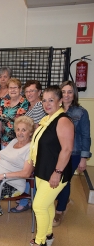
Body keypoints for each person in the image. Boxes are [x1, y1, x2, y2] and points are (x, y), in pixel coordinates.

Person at [25, 86, 74, 246]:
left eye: (51, 100)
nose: (47, 104)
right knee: (46, 205)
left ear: (60, 101)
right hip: (43, 170)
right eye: (44, 100)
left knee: (38, 206)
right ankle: (48, 235)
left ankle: (41, 244)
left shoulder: (63, 121)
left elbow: (67, 150)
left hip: (55, 172)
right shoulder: (47, 119)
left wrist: (57, 172)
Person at [52, 81, 91, 226]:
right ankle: (65, 199)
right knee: (57, 179)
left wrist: (83, 157)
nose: (66, 95)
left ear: (74, 94)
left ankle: (60, 211)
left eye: (70, 92)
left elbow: (86, 135)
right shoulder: (56, 110)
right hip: (57, 152)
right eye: (63, 91)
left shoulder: (81, 112)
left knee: (64, 180)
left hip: (74, 152)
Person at [11, 80, 46, 213]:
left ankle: (27, 201)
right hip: (28, 146)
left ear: (39, 92)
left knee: (29, 173)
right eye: (27, 91)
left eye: (32, 91)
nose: (29, 93)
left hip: (36, 148)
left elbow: (35, 130)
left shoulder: (39, 106)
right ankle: (27, 199)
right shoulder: (29, 106)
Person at [0, 78, 29, 148]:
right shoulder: (3, 102)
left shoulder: (26, 103)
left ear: (20, 89)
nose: (12, 90)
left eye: (15, 88)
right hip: (4, 142)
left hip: (19, 142)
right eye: (10, 88)